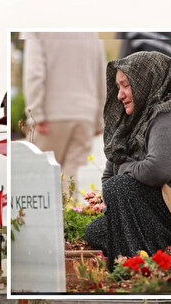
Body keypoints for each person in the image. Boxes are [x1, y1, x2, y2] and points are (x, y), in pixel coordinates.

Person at [84, 51, 171, 269]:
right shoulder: (135, 121)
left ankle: (138, 269)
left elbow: (155, 171)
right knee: (96, 231)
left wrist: (123, 167)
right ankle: (162, 255)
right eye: (118, 87)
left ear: (145, 81)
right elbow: (108, 175)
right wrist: (124, 170)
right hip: (167, 206)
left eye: (126, 85)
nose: (120, 95)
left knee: (120, 188)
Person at [23, 32, 106, 189]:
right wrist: (98, 120)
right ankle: (68, 213)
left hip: (51, 114)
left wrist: (36, 114)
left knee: (38, 181)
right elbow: (101, 76)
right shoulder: (91, 32)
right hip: (85, 115)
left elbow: (34, 72)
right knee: (70, 178)